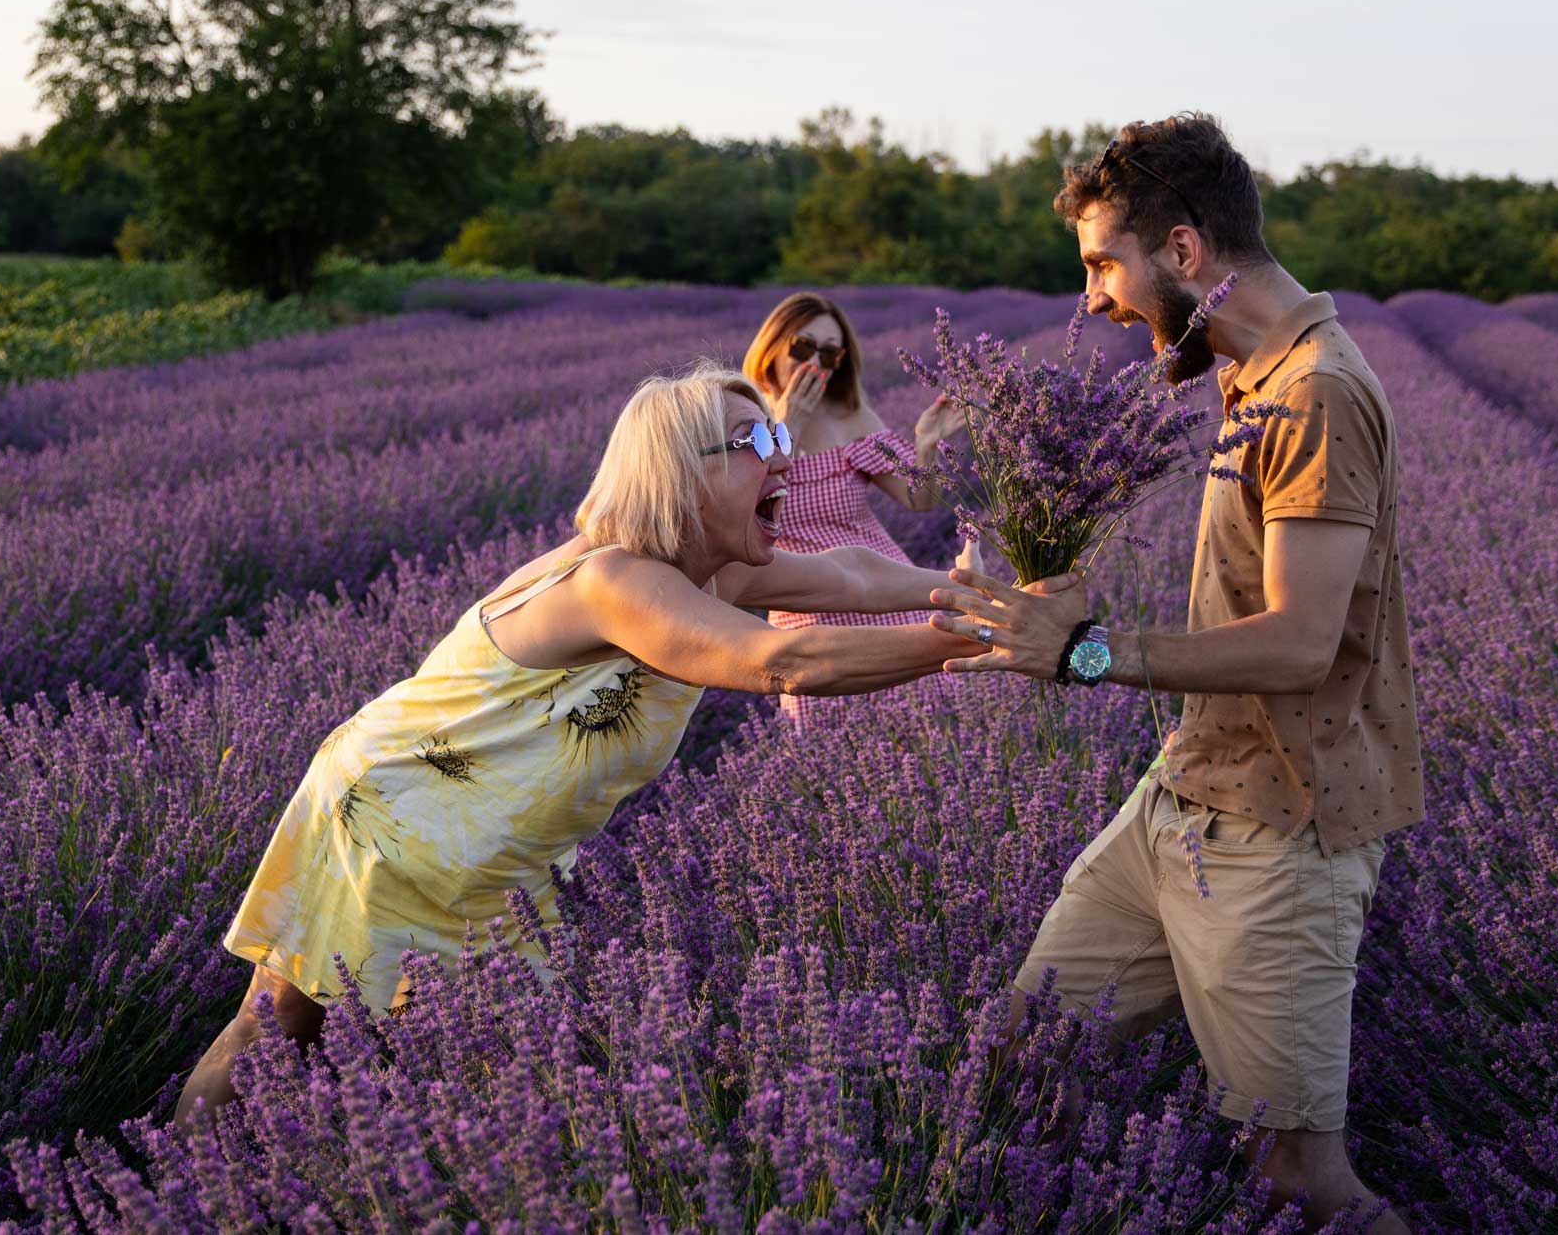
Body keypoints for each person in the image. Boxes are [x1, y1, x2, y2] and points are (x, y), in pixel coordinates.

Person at [174, 366, 983, 1128]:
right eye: (761, 443)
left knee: (504, 1072)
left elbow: (853, 578)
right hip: (387, 819)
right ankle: (180, 1195)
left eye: (782, 437)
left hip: (497, 856)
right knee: (273, 1031)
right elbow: (786, 661)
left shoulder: (715, 571)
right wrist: (975, 640)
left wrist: (978, 596)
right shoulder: (615, 583)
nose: (786, 458)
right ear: (681, 472)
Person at [928, 114, 1422, 1233]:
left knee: (1305, 1183)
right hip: (1180, 799)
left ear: (1188, 253)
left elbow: (1301, 641)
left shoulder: (1316, 394)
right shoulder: (1252, 372)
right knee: (1019, 1059)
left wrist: (1093, 653)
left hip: (1278, 834)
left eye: (1105, 262)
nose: (1094, 298)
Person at [742, 292, 975, 725]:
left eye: (829, 354)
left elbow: (918, 499)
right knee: (821, 748)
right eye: (803, 347)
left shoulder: (851, 416)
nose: (814, 363)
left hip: (888, 599)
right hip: (806, 611)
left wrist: (926, 445)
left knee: (926, 736)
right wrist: (786, 426)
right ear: (772, 347)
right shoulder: (741, 419)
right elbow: (737, 514)